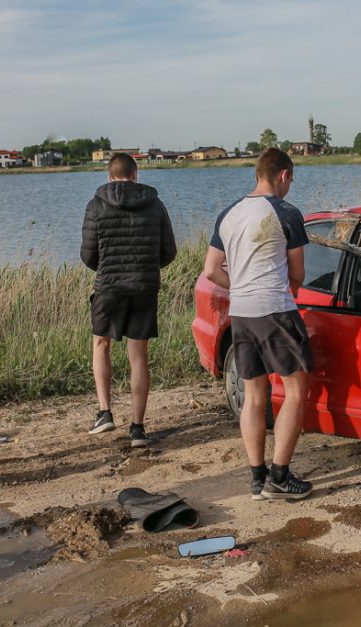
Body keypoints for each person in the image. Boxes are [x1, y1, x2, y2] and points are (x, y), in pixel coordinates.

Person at [203, 147, 313, 500]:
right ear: (283, 175)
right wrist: (287, 293)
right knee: (296, 390)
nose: (289, 187)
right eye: (290, 180)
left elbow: (211, 271)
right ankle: (280, 477)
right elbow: (297, 273)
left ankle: (257, 478)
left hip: (241, 313)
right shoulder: (286, 213)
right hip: (274, 309)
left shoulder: (228, 213)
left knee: (253, 395)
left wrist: (242, 287)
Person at [80, 152, 177, 447]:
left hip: (109, 286)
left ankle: (105, 413)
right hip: (144, 287)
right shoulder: (156, 205)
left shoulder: (96, 205)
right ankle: (137, 428)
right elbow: (169, 251)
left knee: (101, 344)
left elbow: (88, 254)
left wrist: (109, 268)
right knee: (138, 356)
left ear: (110, 177)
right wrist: (146, 268)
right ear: (136, 175)